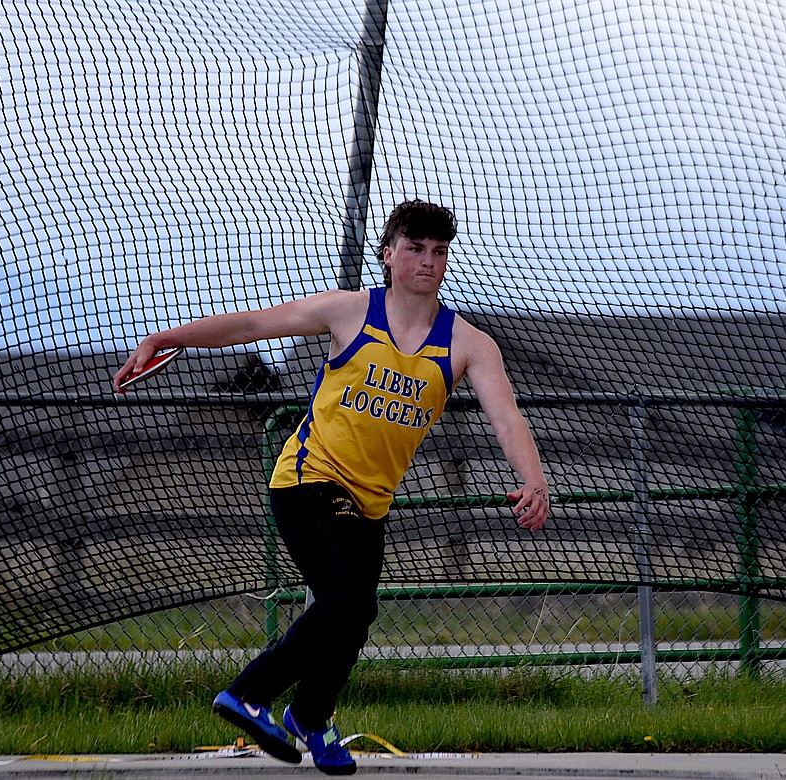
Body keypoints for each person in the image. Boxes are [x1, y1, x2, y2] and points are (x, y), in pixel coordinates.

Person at [113, 199, 550, 775]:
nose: (427, 260)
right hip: (307, 478)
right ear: (388, 255)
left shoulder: (469, 345)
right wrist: (168, 338)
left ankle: (310, 719)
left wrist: (533, 477)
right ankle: (249, 692)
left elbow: (506, 416)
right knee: (341, 601)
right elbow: (253, 324)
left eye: (438, 251)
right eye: (415, 248)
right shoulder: (349, 313)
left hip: (369, 502)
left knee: (358, 610)